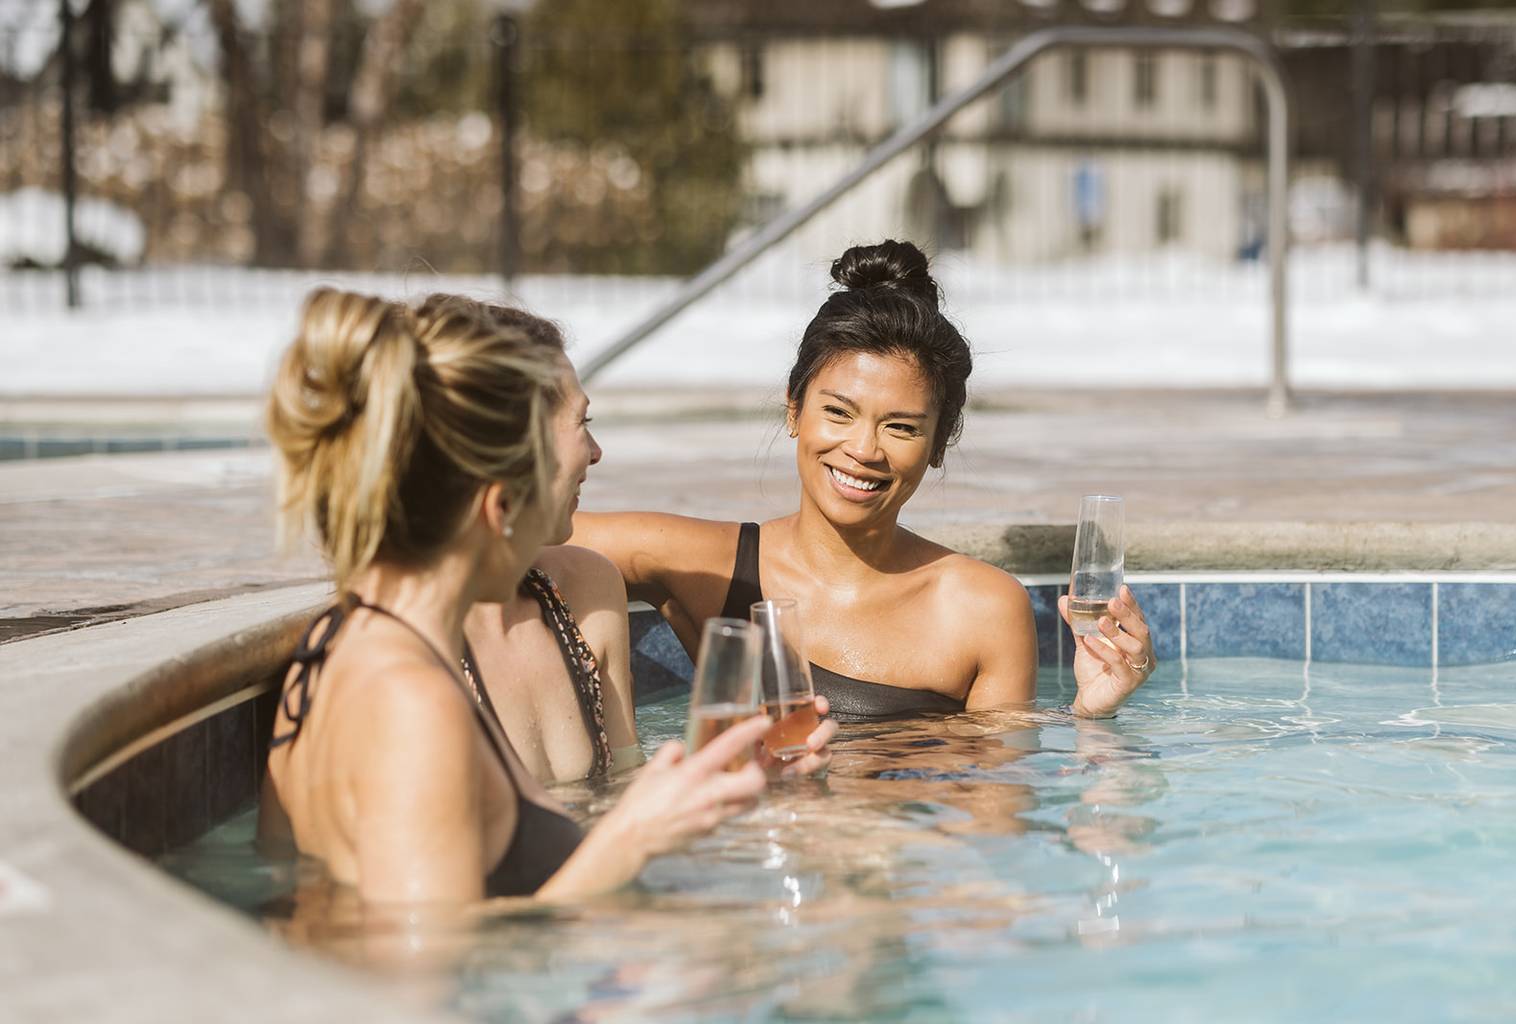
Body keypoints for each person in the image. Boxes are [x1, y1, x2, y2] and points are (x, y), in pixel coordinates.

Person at [258, 288, 769, 905]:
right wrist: (627, 843)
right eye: (582, 424)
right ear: (500, 504)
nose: (595, 453)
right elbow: (424, 959)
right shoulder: (414, 702)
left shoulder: (338, 651)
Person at [573, 240, 1157, 721]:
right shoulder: (709, 567)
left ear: (938, 445)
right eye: (839, 412)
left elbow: (995, 808)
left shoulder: (980, 608)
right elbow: (527, 535)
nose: (862, 450)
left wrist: (1091, 720)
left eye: (901, 427)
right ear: (794, 410)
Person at [461, 303, 838, 785]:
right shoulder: (408, 650)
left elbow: (623, 791)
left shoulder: (584, 593)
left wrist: (746, 783)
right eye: (582, 422)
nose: (596, 452)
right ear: (515, 445)